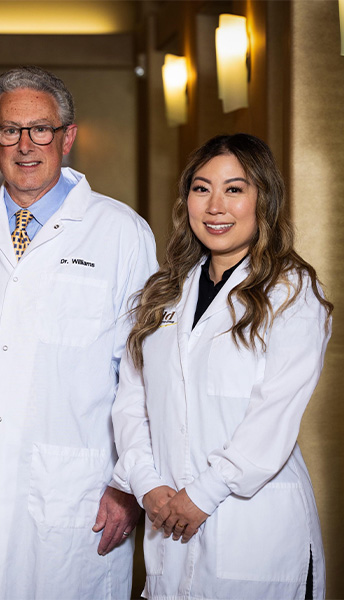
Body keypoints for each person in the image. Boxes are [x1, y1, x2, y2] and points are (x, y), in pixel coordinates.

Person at [0, 66, 157, 599]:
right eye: (10, 130)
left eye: (40, 129)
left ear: (67, 137)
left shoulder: (121, 233)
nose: (26, 145)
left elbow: (142, 374)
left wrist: (127, 485)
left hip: (79, 493)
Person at [112, 133, 332, 599]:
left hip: (252, 529)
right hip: (167, 516)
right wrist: (146, 483)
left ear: (264, 200)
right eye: (201, 188)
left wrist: (204, 493)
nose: (215, 206)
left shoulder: (292, 292)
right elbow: (132, 403)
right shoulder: (162, 294)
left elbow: (274, 416)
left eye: (234, 189)